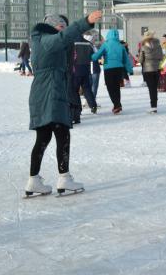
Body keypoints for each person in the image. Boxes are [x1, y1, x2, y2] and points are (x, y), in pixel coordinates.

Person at [25, 11, 102, 197]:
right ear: (53, 26)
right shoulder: (47, 40)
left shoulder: (41, 41)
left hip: (45, 92)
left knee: (43, 137)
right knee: (62, 133)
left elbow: (67, 41)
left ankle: (33, 180)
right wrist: (86, 22)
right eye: (61, 26)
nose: (64, 30)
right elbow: (63, 37)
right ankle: (64, 177)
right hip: (51, 92)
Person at [91, 29, 133, 114]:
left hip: (109, 68)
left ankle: (117, 105)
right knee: (117, 87)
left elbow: (97, 56)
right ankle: (117, 104)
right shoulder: (121, 46)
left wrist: (91, 56)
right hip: (119, 68)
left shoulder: (105, 45)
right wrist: (130, 70)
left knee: (110, 87)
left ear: (108, 35)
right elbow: (126, 60)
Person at [72, 32, 98, 121]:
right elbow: (94, 55)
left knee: (75, 91)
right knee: (87, 88)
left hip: (75, 69)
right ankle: (93, 105)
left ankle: (78, 110)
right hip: (86, 68)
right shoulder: (88, 43)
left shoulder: (72, 43)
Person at [138, 31, 163, 113]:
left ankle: (153, 106)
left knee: (151, 89)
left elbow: (141, 60)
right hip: (157, 69)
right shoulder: (158, 45)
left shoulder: (143, 46)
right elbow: (161, 57)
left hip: (148, 70)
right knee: (154, 88)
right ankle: (154, 105)